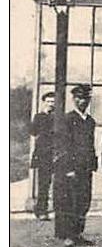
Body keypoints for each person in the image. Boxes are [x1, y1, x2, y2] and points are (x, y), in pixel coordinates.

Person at [54, 84, 98, 247]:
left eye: (85, 98)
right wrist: (68, 169)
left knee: (83, 201)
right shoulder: (68, 119)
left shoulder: (90, 121)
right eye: (79, 98)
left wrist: (93, 164)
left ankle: (78, 233)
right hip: (71, 169)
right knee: (70, 201)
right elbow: (63, 146)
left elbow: (90, 144)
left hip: (85, 168)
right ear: (73, 100)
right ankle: (69, 235)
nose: (82, 101)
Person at [27, 90, 56, 220]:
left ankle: (57, 210)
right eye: (49, 101)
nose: (51, 104)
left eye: (53, 101)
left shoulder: (58, 117)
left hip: (56, 153)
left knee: (57, 183)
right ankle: (41, 210)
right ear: (44, 102)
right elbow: (32, 132)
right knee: (43, 183)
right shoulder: (39, 117)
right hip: (44, 153)